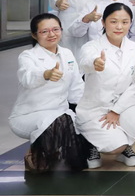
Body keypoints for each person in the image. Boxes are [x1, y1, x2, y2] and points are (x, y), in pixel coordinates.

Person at [76, 3, 135, 169]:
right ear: (103, 22)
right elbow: (85, 62)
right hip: (96, 108)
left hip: (124, 105)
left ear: (130, 23)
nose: (119, 27)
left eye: (125, 22)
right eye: (113, 21)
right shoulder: (92, 47)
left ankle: (123, 148)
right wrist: (96, 63)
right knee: (114, 146)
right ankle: (90, 144)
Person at [11, 13, 88, 172]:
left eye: (55, 29)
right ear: (34, 35)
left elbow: (76, 88)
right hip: (30, 115)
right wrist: (45, 74)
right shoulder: (28, 56)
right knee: (60, 122)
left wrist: (92, 109)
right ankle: (35, 152)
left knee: (79, 160)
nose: (51, 34)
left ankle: (51, 148)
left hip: (61, 115)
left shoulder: (67, 54)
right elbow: (27, 78)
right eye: (44, 31)